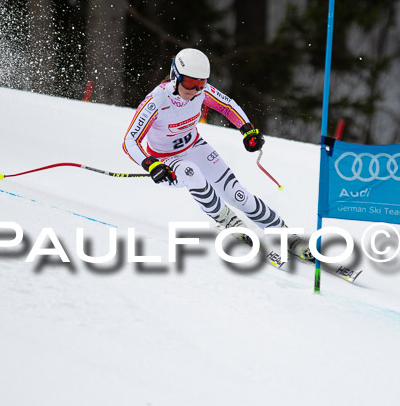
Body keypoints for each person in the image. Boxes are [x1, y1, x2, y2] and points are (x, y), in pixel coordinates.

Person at [122, 47, 311, 259]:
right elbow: (130, 140)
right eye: (190, 83)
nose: (195, 90)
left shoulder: (201, 93)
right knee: (191, 172)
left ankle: (285, 234)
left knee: (237, 194)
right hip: (165, 162)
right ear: (175, 77)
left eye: (201, 84)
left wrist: (247, 129)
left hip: (195, 147)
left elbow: (227, 106)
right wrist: (151, 164)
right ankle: (226, 219)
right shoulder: (157, 101)